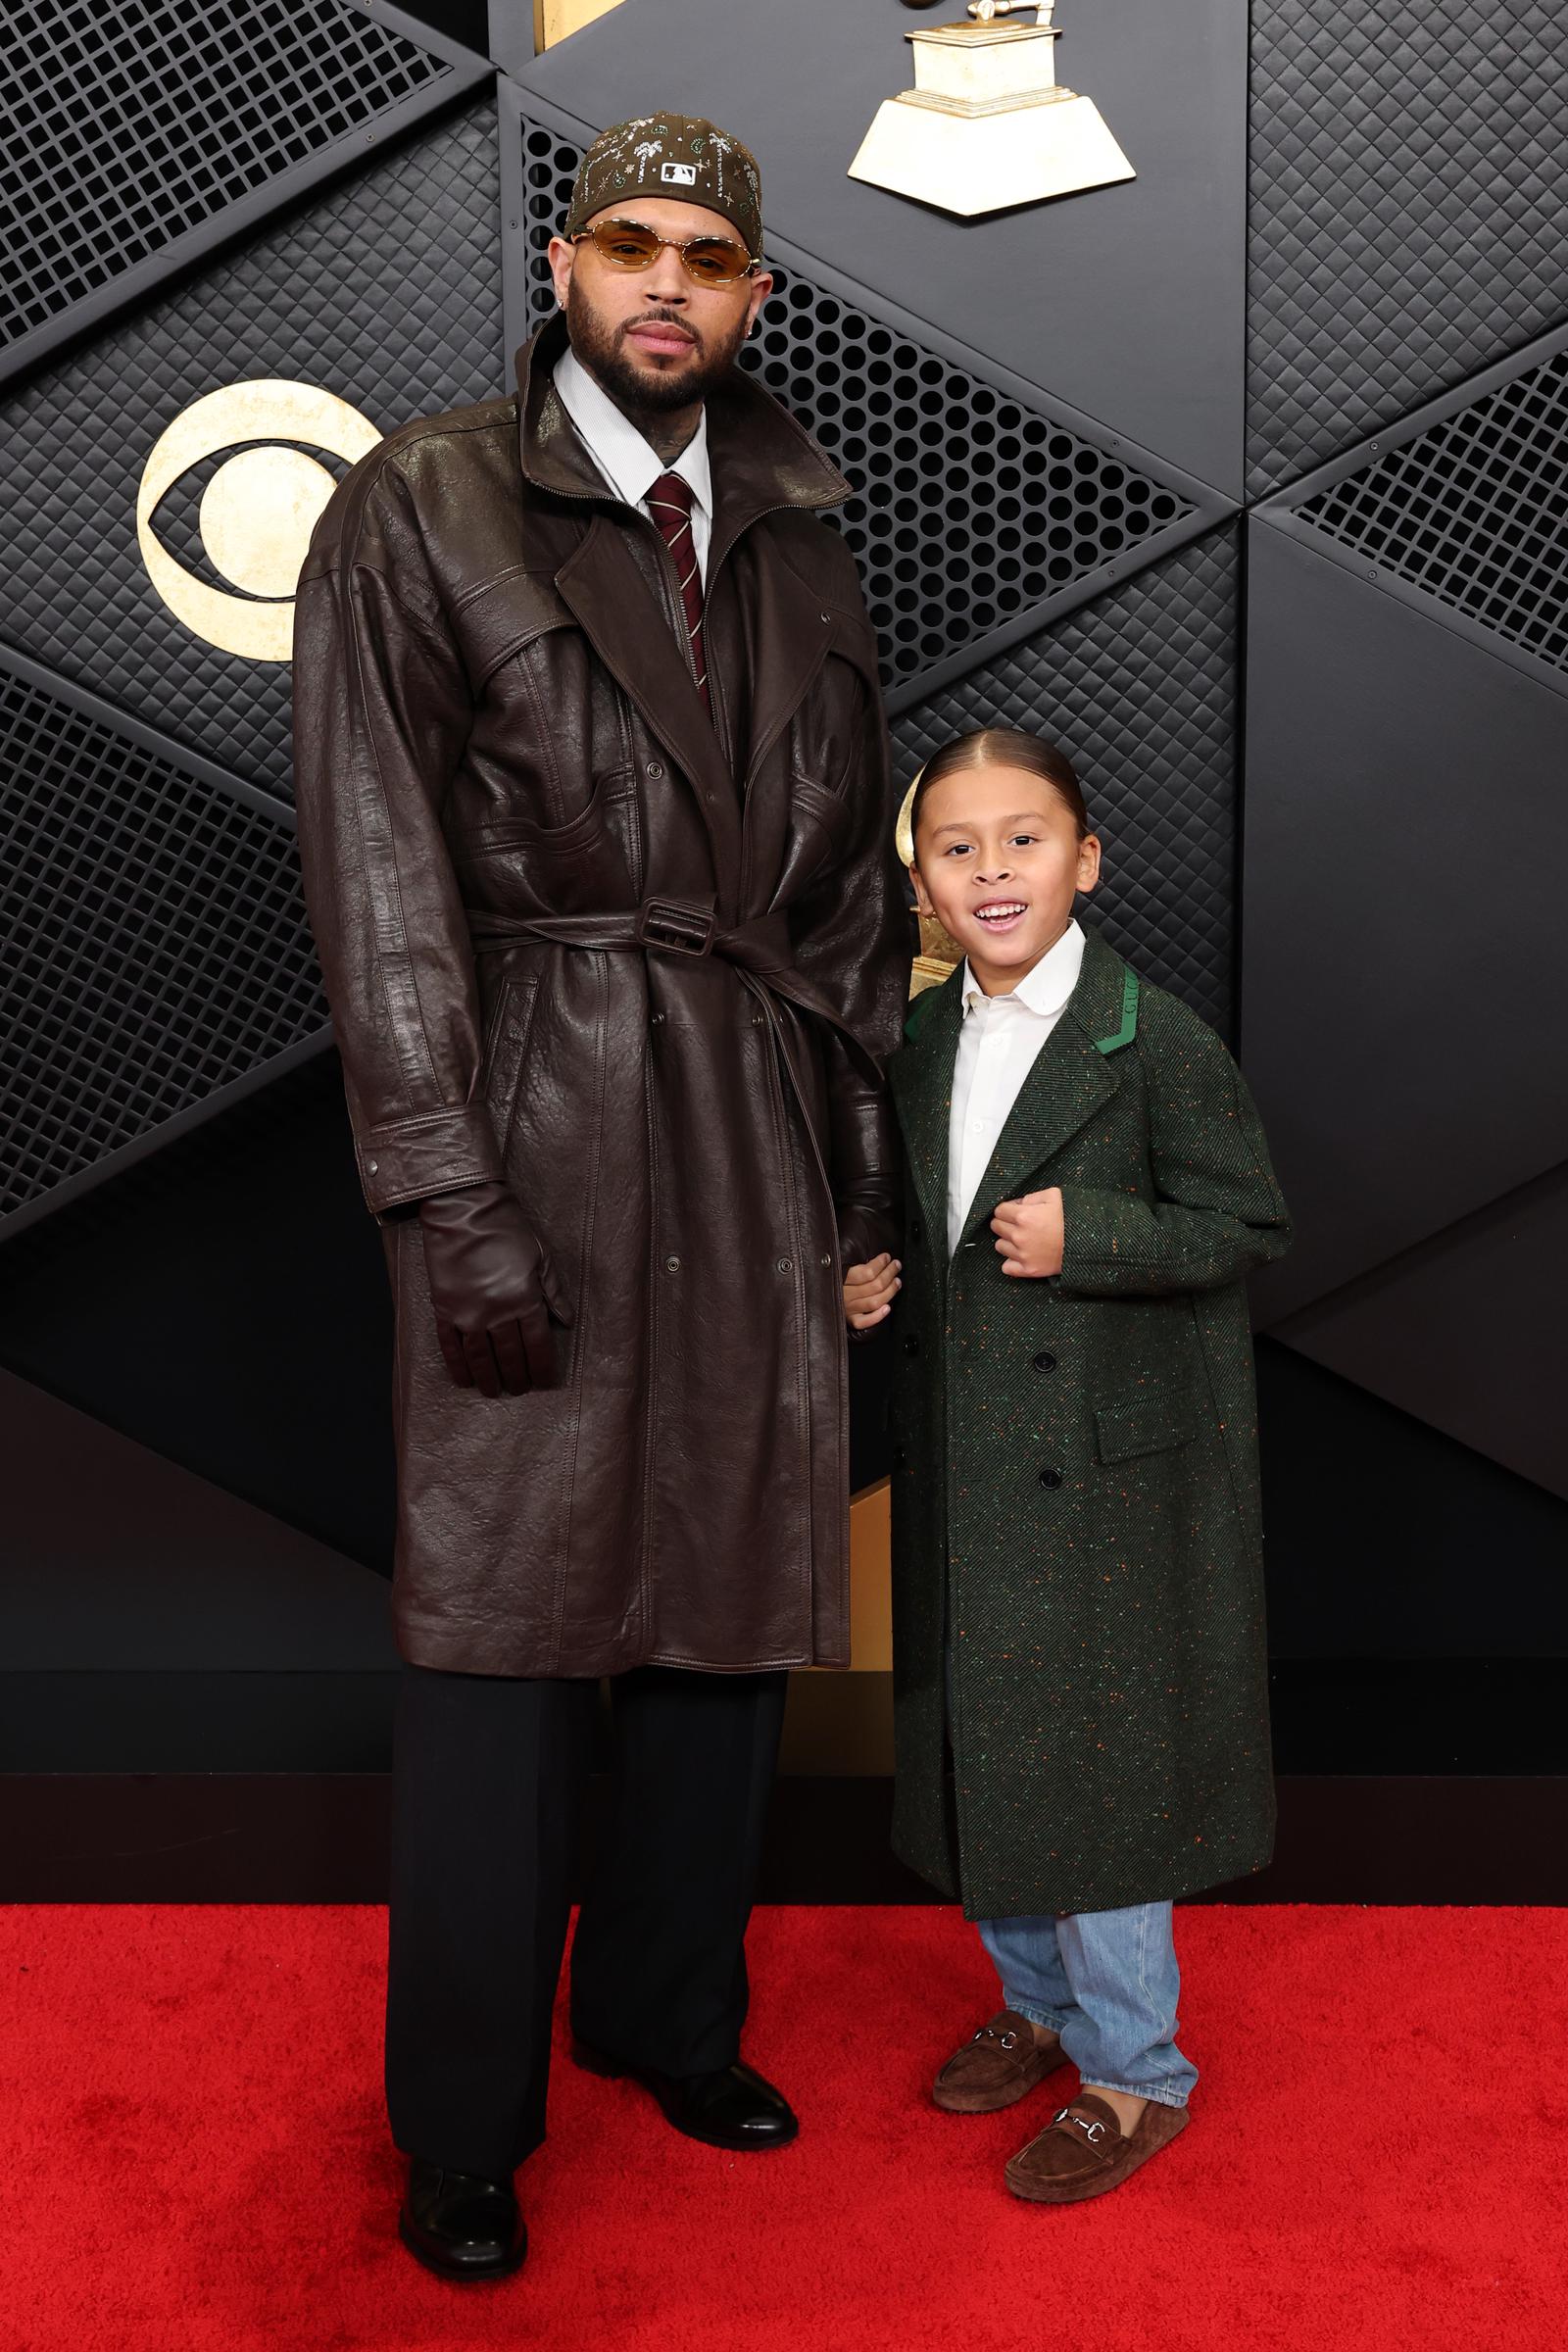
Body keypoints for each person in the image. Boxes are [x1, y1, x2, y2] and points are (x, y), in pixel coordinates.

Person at [292, 111, 909, 2281]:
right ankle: (462, 2124)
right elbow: (380, 888)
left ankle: (667, 2016)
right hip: (528, 1102)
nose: (668, 284)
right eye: (631, 245)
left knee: (725, 1607)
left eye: (711, 258)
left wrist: (854, 1179)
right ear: (565, 264)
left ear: (753, 298)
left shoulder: (806, 522)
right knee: (500, 1629)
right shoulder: (421, 500)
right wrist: (448, 1199)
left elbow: (836, 912)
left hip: (747, 1106)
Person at [848, 725, 1290, 2203]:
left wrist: (1091, 1237)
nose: (991, 871)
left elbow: (1247, 1230)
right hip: (968, 1464)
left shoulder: (1151, 1036)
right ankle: (1037, 2005)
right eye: (957, 848)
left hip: (1105, 1482)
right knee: (988, 1752)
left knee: (1097, 1776)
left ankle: (1136, 2072)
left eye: (1022, 841)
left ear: (1084, 860)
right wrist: (868, 1276)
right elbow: (930, 1222)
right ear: (920, 882)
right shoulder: (912, 1040)